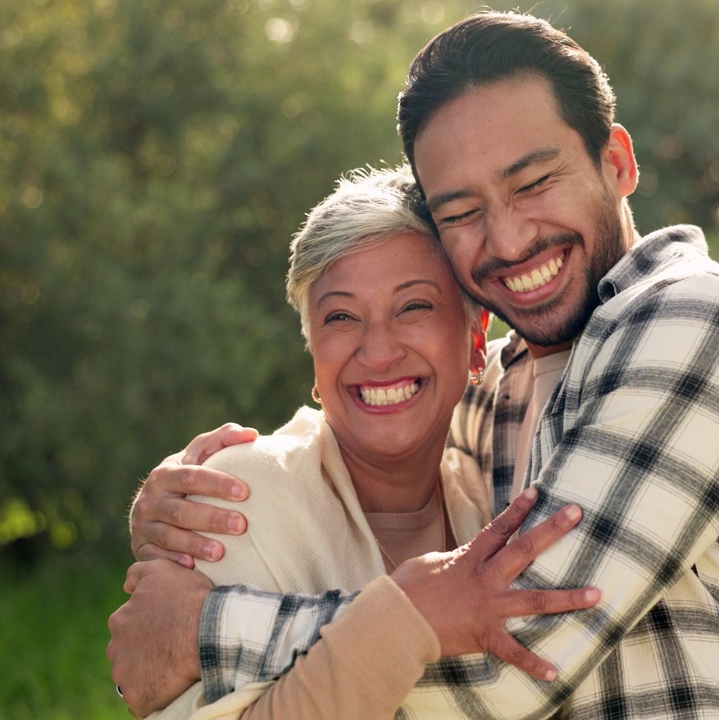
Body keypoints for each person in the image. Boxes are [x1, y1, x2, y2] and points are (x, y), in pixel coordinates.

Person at [121, 10, 719, 719]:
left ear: (617, 162)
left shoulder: (693, 322)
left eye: (534, 182)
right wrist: (184, 496)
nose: (510, 238)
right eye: (460, 211)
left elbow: (516, 656)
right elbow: (378, 413)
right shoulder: (494, 395)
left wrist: (207, 629)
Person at [110, 166, 600, 719]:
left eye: (414, 306)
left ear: (474, 340)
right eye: (341, 317)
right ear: (314, 355)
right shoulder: (235, 498)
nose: (378, 351)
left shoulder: (487, 502)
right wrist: (408, 618)